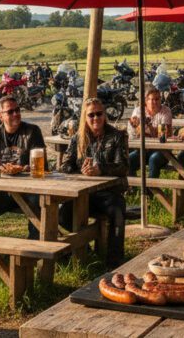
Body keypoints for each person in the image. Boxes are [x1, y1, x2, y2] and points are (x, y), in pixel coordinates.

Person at [58, 98, 128, 268]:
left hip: (109, 192)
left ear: (105, 115)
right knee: (62, 215)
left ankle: (115, 262)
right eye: (91, 115)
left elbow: (124, 166)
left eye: (99, 114)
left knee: (118, 210)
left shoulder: (117, 136)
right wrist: (79, 169)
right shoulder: (77, 138)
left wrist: (100, 169)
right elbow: (64, 166)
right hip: (84, 193)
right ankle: (86, 251)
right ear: (85, 118)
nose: (96, 118)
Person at [0, 97, 45, 238]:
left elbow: (42, 165)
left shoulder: (32, 131)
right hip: (3, 190)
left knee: (40, 207)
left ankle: (34, 250)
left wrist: (22, 168)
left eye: (17, 110)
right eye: (10, 111)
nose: (15, 114)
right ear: (0, 116)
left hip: (30, 190)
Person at [128, 87, 171, 178]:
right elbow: (135, 133)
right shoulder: (138, 111)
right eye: (151, 99)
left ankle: (150, 190)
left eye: (157, 99)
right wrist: (139, 128)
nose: (154, 102)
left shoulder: (165, 111)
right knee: (128, 159)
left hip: (162, 150)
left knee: (154, 159)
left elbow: (162, 135)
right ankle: (133, 187)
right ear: (146, 101)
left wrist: (148, 127)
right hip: (142, 149)